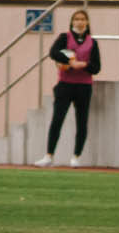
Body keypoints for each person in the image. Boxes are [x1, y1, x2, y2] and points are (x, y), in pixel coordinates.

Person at [35, 9, 102, 168]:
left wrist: (84, 64)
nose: (79, 22)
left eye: (82, 19)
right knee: (57, 120)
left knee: (82, 121)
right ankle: (49, 155)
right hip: (65, 85)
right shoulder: (64, 38)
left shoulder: (93, 42)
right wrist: (69, 61)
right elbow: (53, 53)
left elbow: (96, 67)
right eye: (76, 19)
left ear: (87, 22)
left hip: (84, 87)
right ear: (72, 22)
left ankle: (76, 156)